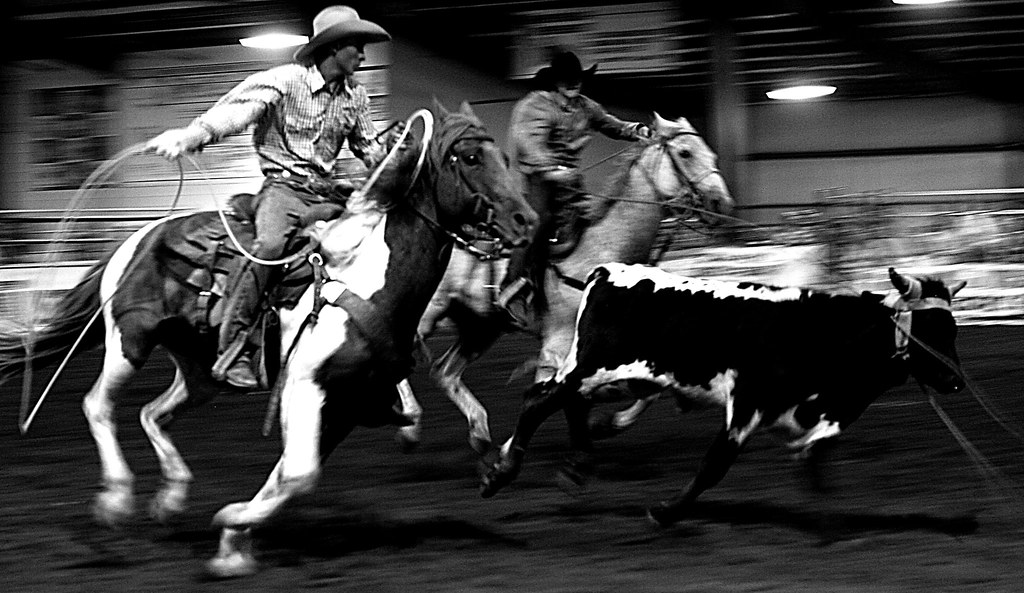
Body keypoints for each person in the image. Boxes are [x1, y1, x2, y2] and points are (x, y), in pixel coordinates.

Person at [146, 5, 398, 389]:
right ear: (333, 48)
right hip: (283, 190)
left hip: (327, 193)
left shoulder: (356, 98)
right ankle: (234, 346)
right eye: (357, 46)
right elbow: (233, 115)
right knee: (268, 246)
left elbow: (369, 151)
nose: (363, 55)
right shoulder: (285, 81)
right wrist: (188, 137)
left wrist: (394, 156)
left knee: (375, 242)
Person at [496, 50, 651, 328]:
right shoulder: (536, 106)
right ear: (555, 82)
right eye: (566, 79)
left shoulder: (586, 107)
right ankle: (513, 287)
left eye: (576, 79)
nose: (573, 84)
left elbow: (610, 124)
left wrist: (636, 130)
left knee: (596, 220)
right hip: (539, 179)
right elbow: (530, 145)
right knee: (538, 221)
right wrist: (553, 170)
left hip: (570, 183)